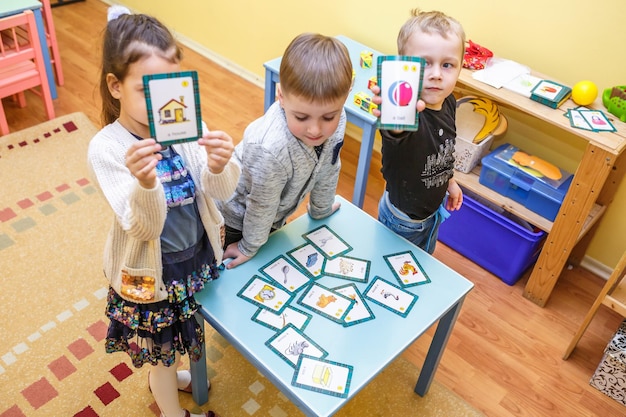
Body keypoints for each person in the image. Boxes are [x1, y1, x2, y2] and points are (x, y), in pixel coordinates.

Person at [87, 6, 239, 417]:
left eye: (169, 86)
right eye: (146, 90)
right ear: (116, 87)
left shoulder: (185, 125)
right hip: (150, 273)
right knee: (160, 352)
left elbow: (217, 191)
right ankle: (172, 410)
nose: (161, 103)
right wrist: (148, 184)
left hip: (191, 257)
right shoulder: (108, 148)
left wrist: (222, 165)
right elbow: (141, 225)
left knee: (185, 333)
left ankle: (173, 378)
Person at [218, 33, 353, 269]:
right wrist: (247, 246)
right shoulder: (270, 148)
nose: (315, 129)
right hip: (235, 221)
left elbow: (329, 168)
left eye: (328, 116)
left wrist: (321, 208)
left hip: (272, 216)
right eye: (301, 117)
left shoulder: (339, 120)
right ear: (280, 96)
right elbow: (261, 204)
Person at [370, 9, 465, 254]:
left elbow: (444, 151)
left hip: (432, 213)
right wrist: (395, 120)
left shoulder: (450, 101)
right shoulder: (404, 115)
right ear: (405, 67)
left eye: (447, 65)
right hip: (403, 221)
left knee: (421, 262)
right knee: (391, 275)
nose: (435, 74)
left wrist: (450, 182)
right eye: (424, 64)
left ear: (459, 68)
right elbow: (395, 134)